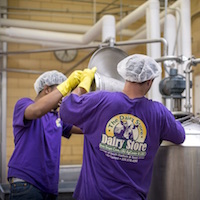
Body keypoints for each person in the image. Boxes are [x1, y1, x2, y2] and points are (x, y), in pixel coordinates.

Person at [59, 54, 186, 200]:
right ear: (150, 81)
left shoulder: (99, 101)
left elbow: (65, 110)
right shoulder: (159, 113)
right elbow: (180, 136)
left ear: (125, 76)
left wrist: (83, 85)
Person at [7, 69, 88, 200]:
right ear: (47, 90)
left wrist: (85, 93)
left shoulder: (57, 117)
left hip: (48, 187)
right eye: (61, 91)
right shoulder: (24, 104)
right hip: (26, 183)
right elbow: (37, 110)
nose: (63, 96)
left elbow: (84, 127)